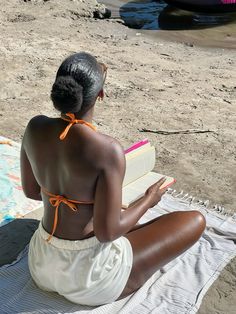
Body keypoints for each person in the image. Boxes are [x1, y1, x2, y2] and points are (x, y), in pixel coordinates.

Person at [20, 52, 206, 306]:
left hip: (41, 263)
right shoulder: (107, 150)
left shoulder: (34, 127)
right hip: (89, 280)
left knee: (136, 228)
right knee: (194, 220)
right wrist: (148, 200)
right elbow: (108, 233)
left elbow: (31, 191)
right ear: (100, 95)